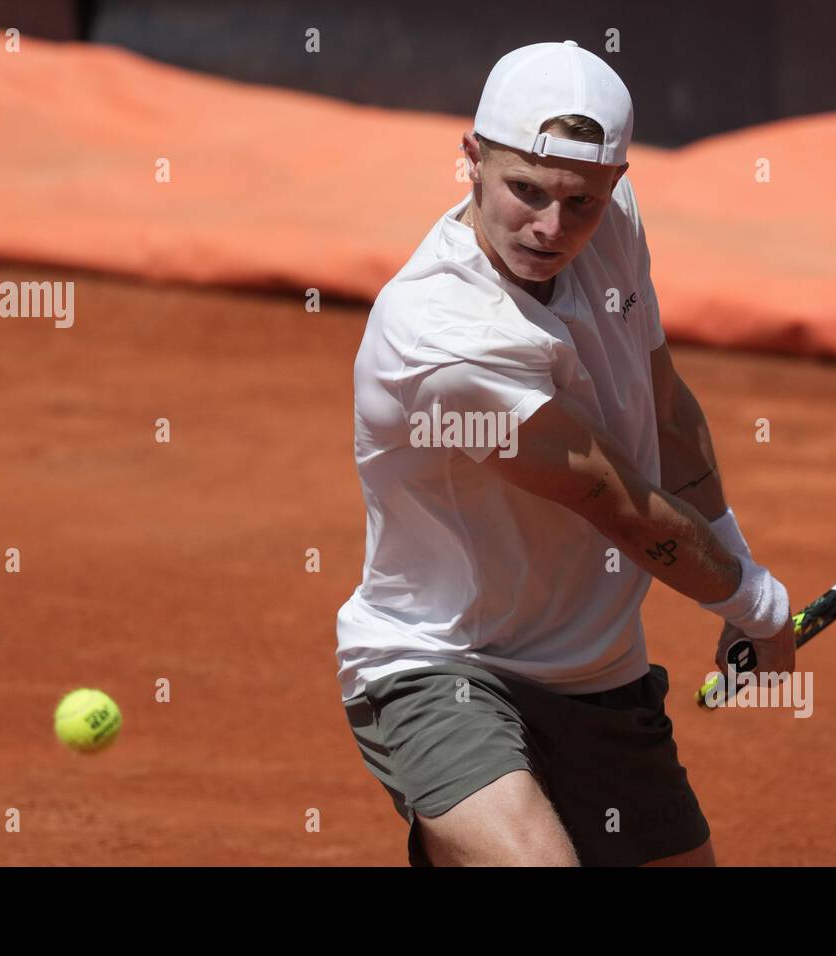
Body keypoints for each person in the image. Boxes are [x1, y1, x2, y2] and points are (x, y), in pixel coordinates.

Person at [335, 40, 796, 867]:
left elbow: (665, 406)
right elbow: (611, 498)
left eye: (580, 201)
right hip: (442, 661)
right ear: (470, 159)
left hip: (599, 668)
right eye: (525, 192)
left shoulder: (612, 227)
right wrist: (755, 607)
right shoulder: (443, 339)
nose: (551, 229)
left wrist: (736, 558)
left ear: (615, 186)